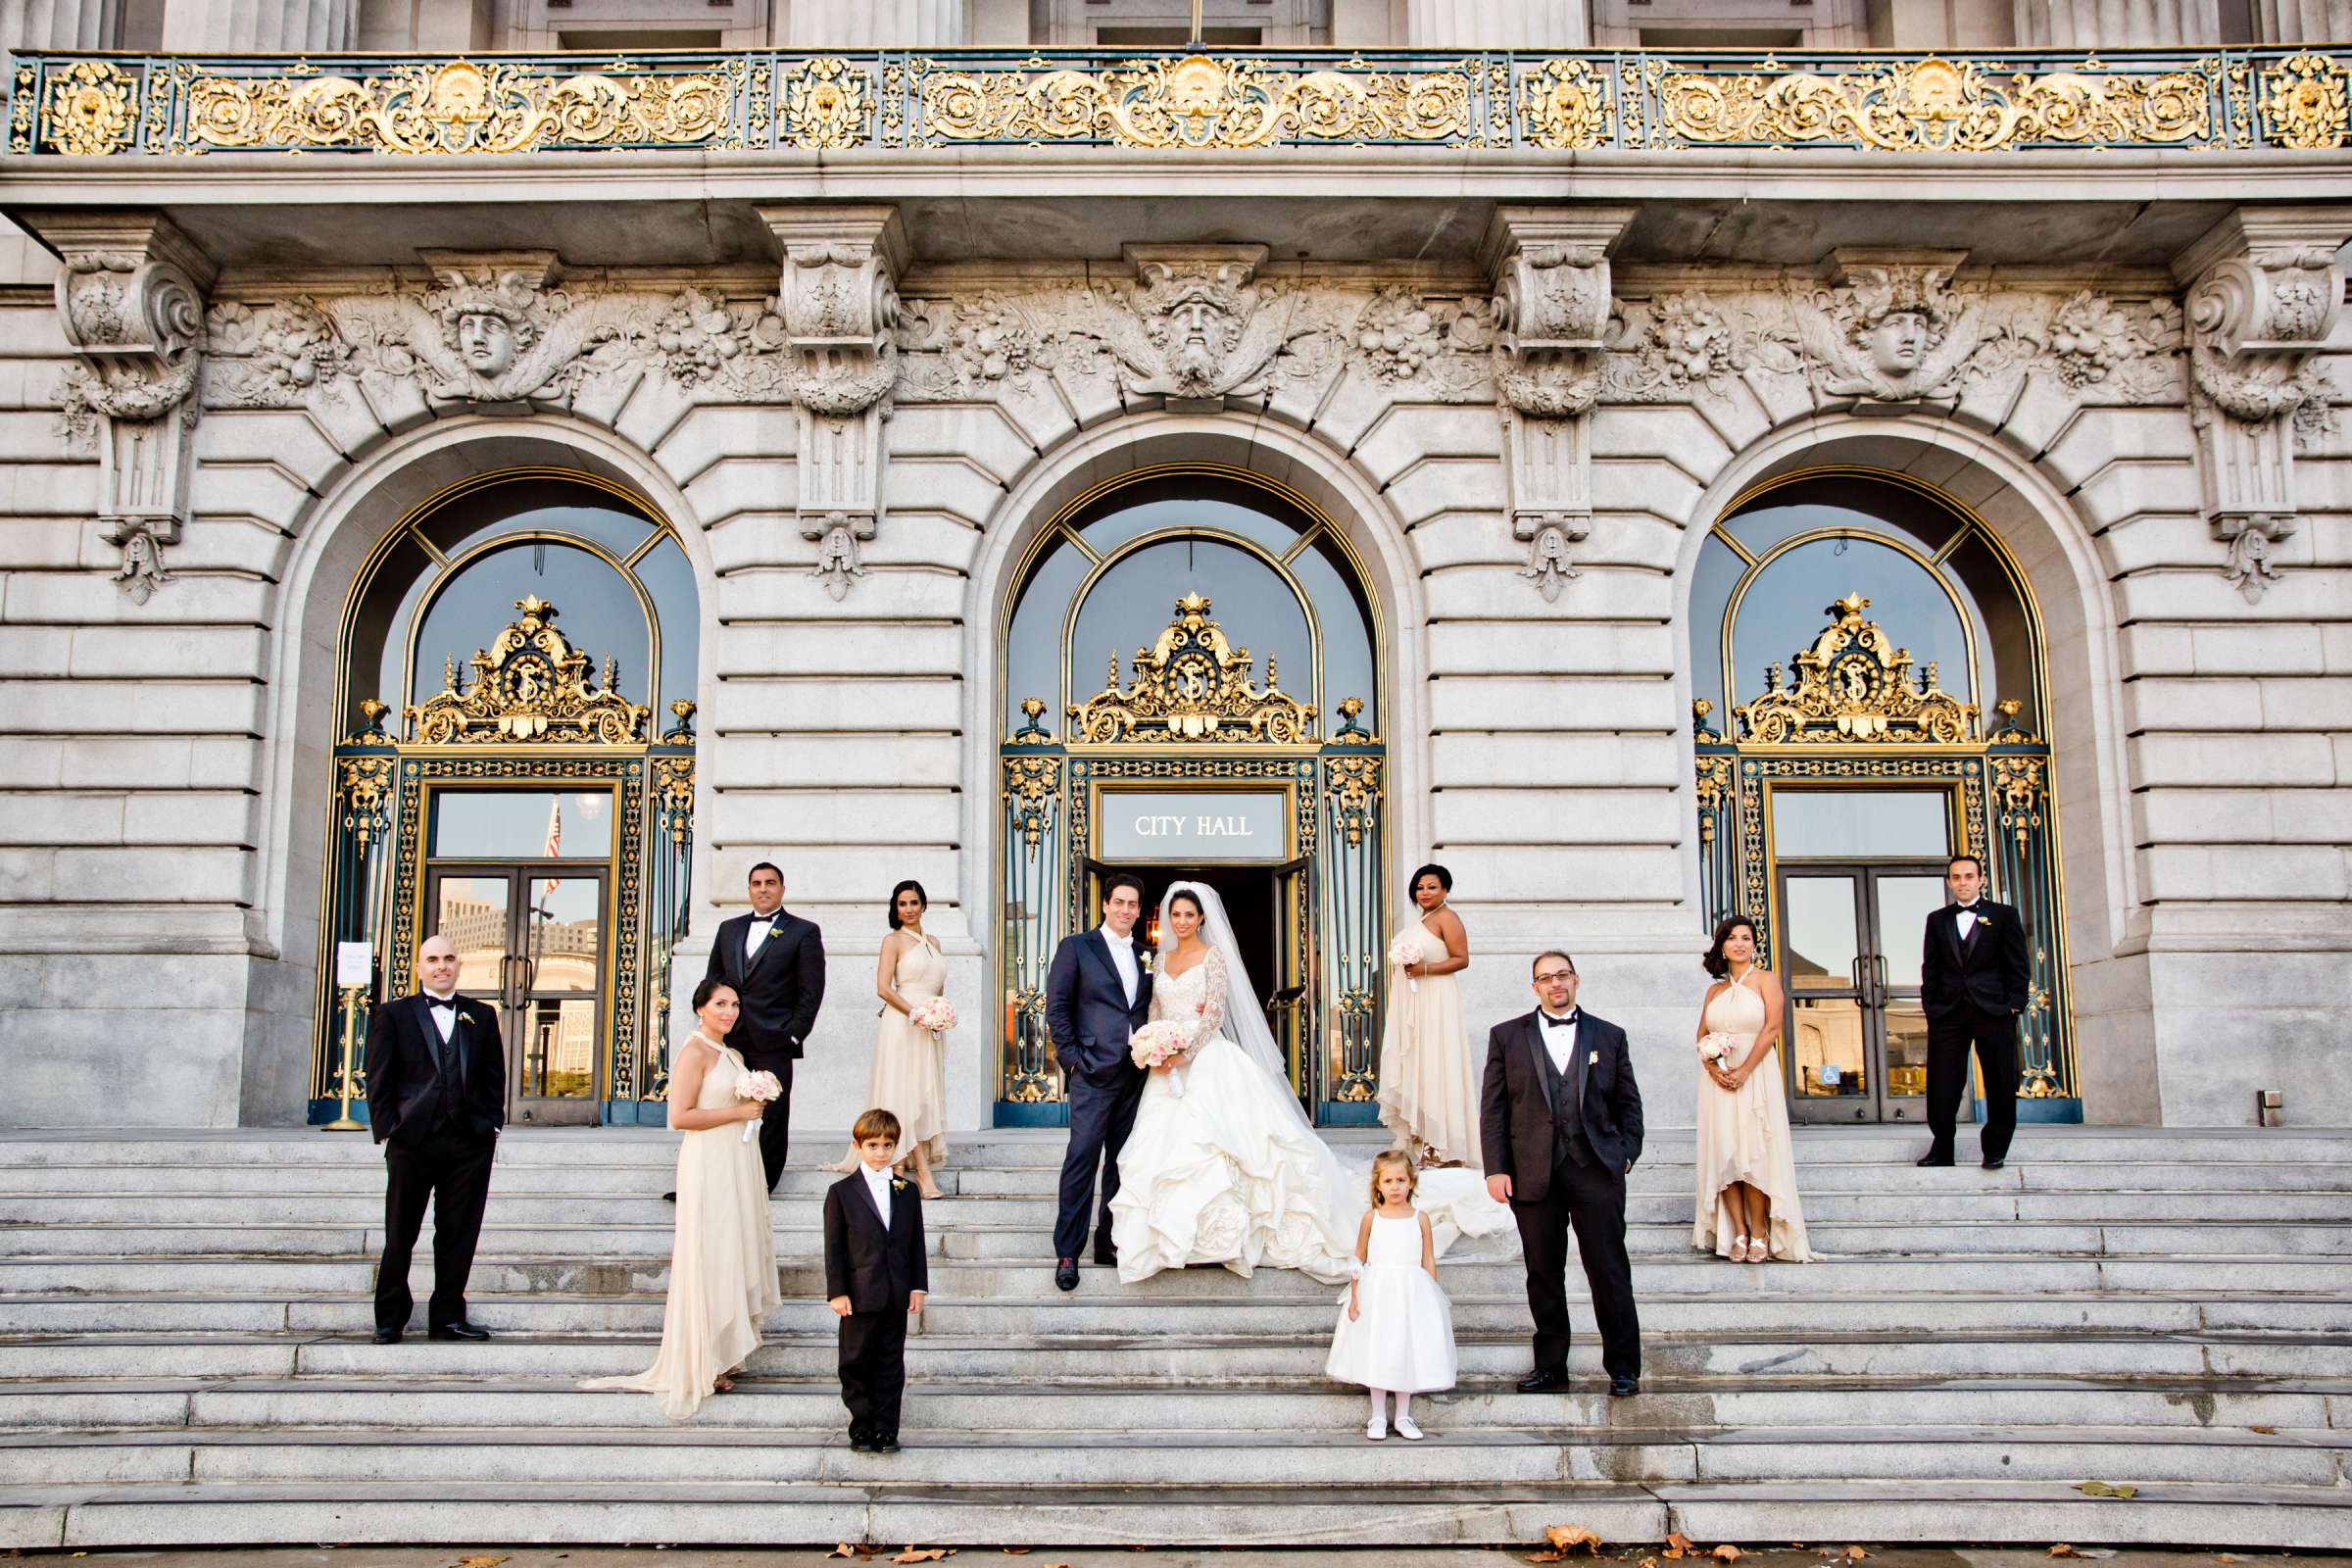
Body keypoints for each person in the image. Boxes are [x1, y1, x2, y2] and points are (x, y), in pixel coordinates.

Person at [1107, 883, 1360, 1284]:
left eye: (1190, 915)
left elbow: (1215, 1014)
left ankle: (1223, 1238)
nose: (1183, 921)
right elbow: (1155, 1007)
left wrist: (1184, 1053)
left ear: (1202, 918)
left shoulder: (1214, 957)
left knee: (1217, 1145)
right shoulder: (1160, 957)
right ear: (1167, 918)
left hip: (1206, 1057)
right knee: (1166, 1150)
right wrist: (1154, 1045)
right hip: (1166, 1066)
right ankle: (1177, 1240)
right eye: (1176, 915)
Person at [585, 978, 780, 1419]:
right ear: (700, 1009)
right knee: (711, 1251)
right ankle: (701, 1356)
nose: (729, 1012)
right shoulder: (694, 1052)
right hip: (709, 1162)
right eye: (720, 1004)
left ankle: (724, 1349)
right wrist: (738, 1111)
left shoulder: (731, 1053)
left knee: (733, 1248)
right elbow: (680, 1116)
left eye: (734, 1005)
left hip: (737, 1158)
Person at [1479, 951, 1644, 1397]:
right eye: (1545, 978)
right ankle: (1551, 1367)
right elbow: (1493, 1110)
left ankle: (1624, 1368)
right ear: (1534, 986)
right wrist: (1496, 1168)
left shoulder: (1609, 1036)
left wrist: (1625, 1155)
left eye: (1562, 975)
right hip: (1532, 1173)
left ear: (1576, 980)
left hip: (1596, 1170)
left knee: (1609, 1270)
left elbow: (1629, 1104)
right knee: (1543, 1273)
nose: (1555, 984)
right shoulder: (1506, 1036)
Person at [365, 932, 505, 1346]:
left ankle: (447, 1317)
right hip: (413, 1141)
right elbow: (378, 1077)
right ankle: (390, 1317)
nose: (441, 965)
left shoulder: (482, 1015)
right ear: (420, 967)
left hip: (469, 1142)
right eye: (433, 959)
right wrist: (390, 1128)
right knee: (400, 1231)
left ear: (459, 964)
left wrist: (491, 1124)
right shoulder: (393, 1015)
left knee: (459, 1232)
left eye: (448, 958)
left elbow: (495, 1076)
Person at [1043, 873, 1153, 1292]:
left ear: (1139, 911)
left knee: (1121, 1165)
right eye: (1119, 902)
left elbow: (1145, 1009)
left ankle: (1107, 1241)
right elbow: (1058, 1007)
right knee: (1082, 1161)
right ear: (1105, 904)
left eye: (1133, 904)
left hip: (1136, 1072)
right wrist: (1072, 1061)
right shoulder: (1077, 947)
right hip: (1091, 1072)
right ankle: (1067, 1252)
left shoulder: (1147, 954)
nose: (1126, 910)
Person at [1692, 916, 1814, 1263]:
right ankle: (1739, 1231)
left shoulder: (1766, 980)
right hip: (1718, 1081)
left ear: (1754, 944)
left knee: (1755, 1152)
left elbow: (1773, 1027)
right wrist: (1713, 1068)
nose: (1740, 944)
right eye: (1732, 938)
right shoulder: (1714, 991)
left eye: (1746, 938)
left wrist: (1745, 1069)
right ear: (1722, 946)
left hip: (1756, 1073)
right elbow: (1701, 1034)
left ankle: (1760, 1231)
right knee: (1726, 1153)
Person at [705, 861, 826, 1193]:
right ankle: (718, 1183)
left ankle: (761, 1185)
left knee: (771, 1115)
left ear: (782, 889)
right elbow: (713, 980)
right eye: (756, 883)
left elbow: (811, 992)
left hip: (775, 1039)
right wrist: (712, 1024)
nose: (763, 888)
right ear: (749, 890)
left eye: (770, 882)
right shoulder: (728, 929)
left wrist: (793, 1034)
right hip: (731, 1039)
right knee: (723, 1108)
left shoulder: (803, 931)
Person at [1327, 1150, 1456, 1442]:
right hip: (1379, 1290)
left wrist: (1432, 1296)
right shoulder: (1371, 1219)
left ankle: (1403, 1415)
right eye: (1388, 1180)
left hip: (1411, 1290)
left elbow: (1428, 1260)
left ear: (1411, 1182)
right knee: (1380, 1349)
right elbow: (1358, 1257)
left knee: (1406, 1348)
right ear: (1378, 1185)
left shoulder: (1420, 1219)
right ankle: (1377, 1416)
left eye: (1401, 1180)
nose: (1395, 1186)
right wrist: (1356, 1294)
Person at [834, 879, 948, 1199]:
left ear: (924, 905)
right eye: (902, 904)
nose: (908, 909)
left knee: (924, 1095)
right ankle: (921, 1175)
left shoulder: (935, 943)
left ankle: (901, 1164)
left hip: (929, 1027)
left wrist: (939, 1015)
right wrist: (914, 1013)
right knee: (903, 1091)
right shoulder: (893, 940)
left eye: (913, 902)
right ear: (895, 908)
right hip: (902, 1022)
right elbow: (883, 988)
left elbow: (937, 989)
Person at [824, 1107, 928, 1453]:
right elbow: (834, 1247)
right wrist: (837, 1291)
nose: (880, 1153)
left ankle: (886, 1429)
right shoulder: (841, 1193)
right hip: (858, 1293)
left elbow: (916, 1242)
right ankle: (862, 1426)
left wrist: (917, 1285)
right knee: (855, 1362)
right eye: (873, 1145)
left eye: (887, 1145)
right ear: (857, 1146)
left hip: (896, 1292)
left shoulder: (907, 1191)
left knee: (889, 1362)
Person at [1919, 854, 2032, 1170]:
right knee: (1942, 1082)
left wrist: (2014, 1004)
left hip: (1994, 1011)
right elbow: (1931, 967)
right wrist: (1932, 1006)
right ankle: (1942, 1148)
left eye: (1969, 876)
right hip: (1948, 1014)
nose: (1963, 883)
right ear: (1949, 882)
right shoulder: (1937, 919)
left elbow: (2018, 964)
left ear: (1981, 879)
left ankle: (1995, 1149)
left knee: (1998, 1080)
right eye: (1956, 877)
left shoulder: (2004, 915)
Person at [1376, 863, 1480, 1170]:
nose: (1425, 892)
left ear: (1445, 889)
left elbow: (1462, 959)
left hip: (1436, 999)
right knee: (1417, 1062)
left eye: (1432, 887)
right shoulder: (1423, 919)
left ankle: (1442, 1144)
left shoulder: (1448, 917)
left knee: (1436, 1063)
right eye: (1420, 887)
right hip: (1413, 1000)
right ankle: (1421, 1137)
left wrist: (1424, 969)